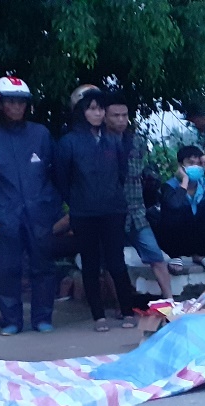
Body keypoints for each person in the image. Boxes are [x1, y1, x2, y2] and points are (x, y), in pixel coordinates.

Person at [0, 75, 61, 335]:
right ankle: (12, 320)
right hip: (5, 212)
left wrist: (55, 208)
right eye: (11, 102)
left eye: (21, 102)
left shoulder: (41, 134)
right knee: (7, 268)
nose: (16, 107)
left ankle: (42, 318)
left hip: (40, 211)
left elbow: (55, 173)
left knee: (43, 265)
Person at [56, 89, 137, 331]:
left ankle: (127, 311)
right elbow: (61, 179)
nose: (98, 113)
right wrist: (76, 201)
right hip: (83, 212)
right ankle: (98, 316)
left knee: (116, 263)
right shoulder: (68, 142)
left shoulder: (114, 140)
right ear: (81, 111)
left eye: (100, 108)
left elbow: (121, 174)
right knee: (90, 264)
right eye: (92, 108)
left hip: (113, 209)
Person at [104, 96, 174, 297]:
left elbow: (143, 172)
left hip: (136, 211)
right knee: (111, 262)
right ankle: (119, 305)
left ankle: (170, 301)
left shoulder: (137, 141)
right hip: (109, 211)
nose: (121, 120)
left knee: (156, 256)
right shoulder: (99, 143)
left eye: (124, 115)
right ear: (105, 117)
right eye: (115, 115)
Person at [156, 146, 205, 274]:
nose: (195, 167)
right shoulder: (170, 186)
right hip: (177, 236)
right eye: (191, 163)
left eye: (198, 164)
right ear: (181, 165)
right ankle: (175, 255)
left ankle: (202, 254)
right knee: (170, 215)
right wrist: (184, 182)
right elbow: (174, 205)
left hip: (199, 235)